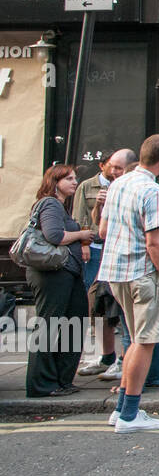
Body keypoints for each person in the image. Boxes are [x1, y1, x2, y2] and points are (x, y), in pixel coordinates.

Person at [99, 134, 159, 432]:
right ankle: (129, 415)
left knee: (134, 340)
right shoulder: (152, 191)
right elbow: (154, 244)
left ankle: (121, 409)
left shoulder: (117, 184)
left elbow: (103, 229)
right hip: (143, 274)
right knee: (145, 341)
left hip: (116, 272)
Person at [24, 165, 94, 397]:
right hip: (52, 273)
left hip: (66, 272)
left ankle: (61, 380)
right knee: (49, 326)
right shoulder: (50, 203)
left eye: (75, 178)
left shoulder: (59, 205)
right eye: (69, 178)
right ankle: (41, 384)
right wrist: (81, 235)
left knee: (74, 322)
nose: (75, 182)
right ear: (55, 182)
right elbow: (54, 236)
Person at [74, 148, 131, 379]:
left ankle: (120, 359)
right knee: (96, 304)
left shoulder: (127, 186)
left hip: (117, 251)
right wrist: (84, 243)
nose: (115, 171)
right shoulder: (87, 187)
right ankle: (105, 355)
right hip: (95, 249)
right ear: (102, 166)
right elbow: (79, 217)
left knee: (117, 307)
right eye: (112, 166)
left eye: (119, 167)